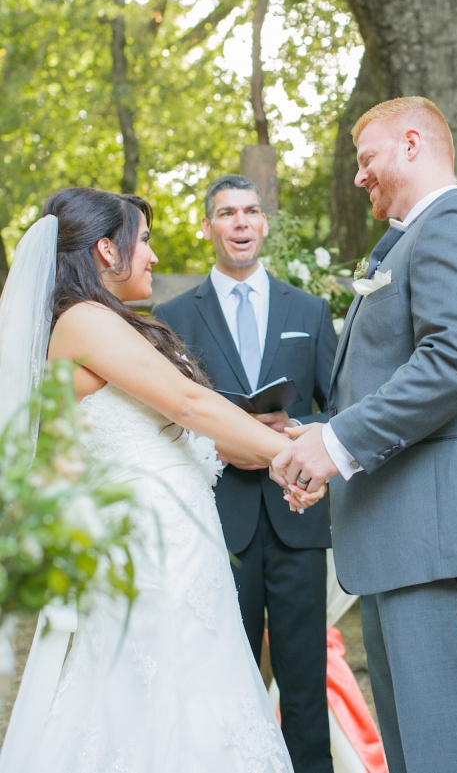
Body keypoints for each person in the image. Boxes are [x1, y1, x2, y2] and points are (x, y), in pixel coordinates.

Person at [0, 186, 324, 773]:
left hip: (177, 546)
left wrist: (295, 441)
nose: (150, 256)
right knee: (163, 709)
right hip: (152, 558)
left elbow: (185, 424)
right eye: (142, 242)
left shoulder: (103, 322)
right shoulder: (83, 322)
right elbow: (185, 402)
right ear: (105, 250)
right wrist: (287, 456)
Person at [272, 97, 457, 773]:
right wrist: (317, 438)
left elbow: (454, 362)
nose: (359, 177)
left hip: (444, 538)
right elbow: (390, 384)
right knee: (421, 755)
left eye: (368, 159)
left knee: (450, 753)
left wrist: (334, 447)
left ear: (412, 144)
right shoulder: (413, 240)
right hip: (410, 538)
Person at [154, 175, 337, 773]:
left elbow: (340, 409)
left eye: (250, 212)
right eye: (226, 212)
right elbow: (162, 416)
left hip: (297, 518)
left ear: (264, 224)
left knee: (305, 683)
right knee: (219, 681)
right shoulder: (172, 316)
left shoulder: (308, 310)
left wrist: (298, 429)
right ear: (208, 226)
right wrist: (217, 443)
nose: (240, 223)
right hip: (214, 525)